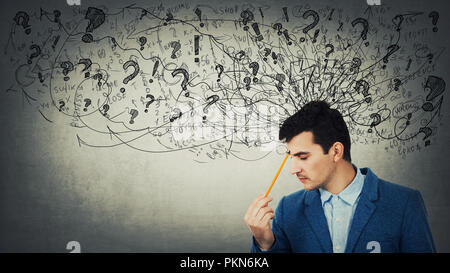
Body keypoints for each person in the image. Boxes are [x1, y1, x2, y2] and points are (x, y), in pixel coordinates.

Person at [244, 100, 436, 253]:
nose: (293, 169)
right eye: (291, 157)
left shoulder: (404, 203)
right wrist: (265, 243)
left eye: (303, 157)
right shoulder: (288, 209)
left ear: (336, 151)